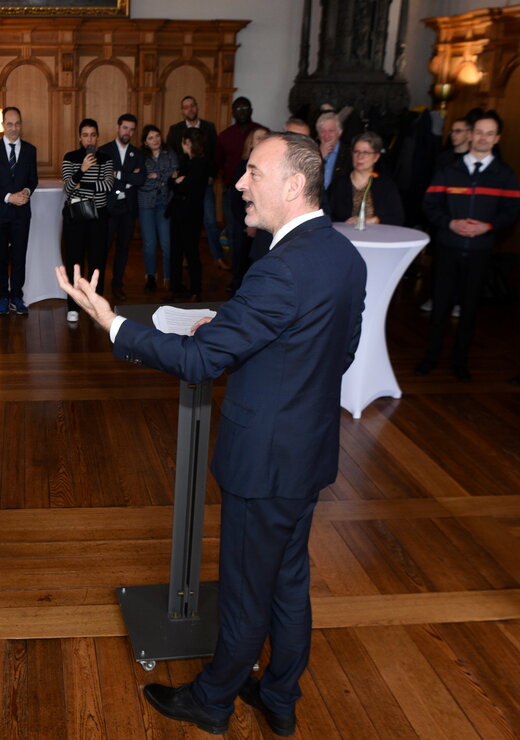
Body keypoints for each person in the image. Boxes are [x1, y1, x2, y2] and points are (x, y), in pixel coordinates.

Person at [57, 131, 366, 737]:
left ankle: (214, 699)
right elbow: (337, 351)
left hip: (265, 459)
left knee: (248, 590)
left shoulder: (281, 269)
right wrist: (236, 329)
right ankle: (279, 696)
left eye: (253, 173)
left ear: (294, 185)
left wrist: (112, 321)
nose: (241, 184)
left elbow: (201, 365)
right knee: (288, 579)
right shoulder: (342, 255)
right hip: (307, 450)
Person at [417, 111, 520, 381]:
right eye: (479, 132)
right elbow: (429, 205)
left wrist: (488, 226)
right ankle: (431, 358)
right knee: (440, 306)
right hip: (448, 247)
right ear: (471, 134)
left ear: (496, 139)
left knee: (470, 309)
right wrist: (449, 223)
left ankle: (460, 362)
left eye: (490, 133)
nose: (483, 138)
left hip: (481, 251)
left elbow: (512, 210)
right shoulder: (448, 170)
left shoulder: (504, 174)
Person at [0, 106, 38, 316]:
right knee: (0, 256)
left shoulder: (30, 150)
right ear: (3, 125)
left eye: (17, 124)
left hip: (22, 213)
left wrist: (25, 191)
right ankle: (3, 297)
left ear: (21, 124)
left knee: (19, 255)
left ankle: (17, 296)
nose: (13, 128)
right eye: (9, 124)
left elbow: (33, 180)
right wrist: (8, 197)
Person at [61, 118, 114, 323]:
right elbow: (67, 187)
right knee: (74, 262)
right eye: (85, 135)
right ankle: (73, 305)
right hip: (75, 216)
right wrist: (82, 169)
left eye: (93, 134)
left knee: (97, 263)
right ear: (79, 137)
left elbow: (108, 185)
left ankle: (95, 307)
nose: (89, 138)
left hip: (98, 216)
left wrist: (81, 185)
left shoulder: (106, 158)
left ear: (97, 136)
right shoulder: (70, 157)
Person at [167, 96, 223, 270]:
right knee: (184, 224)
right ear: (182, 111)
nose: (190, 109)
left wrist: (211, 176)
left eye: (192, 106)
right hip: (184, 183)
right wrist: (177, 176)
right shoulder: (175, 130)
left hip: (203, 183)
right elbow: (171, 154)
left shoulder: (209, 127)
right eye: (186, 107)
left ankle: (218, 256)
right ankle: (184, 257)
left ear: (197, 107)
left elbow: (216, 154)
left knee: (210, 222)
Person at [216, 98, 264, 279]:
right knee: (235, 234)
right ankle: (237, 278)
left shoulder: (261, 130)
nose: (242, 111)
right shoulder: (225, 135)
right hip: (232, 194)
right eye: (238, 108)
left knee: (257, 240)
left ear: (251, 109)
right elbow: (219, 161)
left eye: (245, 107)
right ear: (232, 112)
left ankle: (253, 278)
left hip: (260, 196)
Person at [99, 114, 144, 302]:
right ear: (118, 128)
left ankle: (117, 286)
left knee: (123, 249)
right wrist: (127, 178)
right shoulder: (104, 151)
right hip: (109, 207)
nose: (128, 132)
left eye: (132, 129)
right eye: (125, 128)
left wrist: (117, 174)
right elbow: (103, 178)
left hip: (128, 208)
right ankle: (98, 286)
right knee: (103, 248)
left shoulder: (138, 153)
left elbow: (140, 179)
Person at [166, 128, 212, 301]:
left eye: (183, 141)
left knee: (191, 252)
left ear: (188, 143)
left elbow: (185, 187)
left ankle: (195, 290)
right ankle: (176, 287)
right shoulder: (185, 161)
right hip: (177, 212)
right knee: (175, 251)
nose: (181, 145)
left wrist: (179, 182)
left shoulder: (201, 163)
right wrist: (177, 181)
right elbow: (171, 182)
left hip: (191, 215)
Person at [227, 126, 271, 288]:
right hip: (243, 221)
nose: (262, 141)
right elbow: (235, 199)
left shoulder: (271, 169)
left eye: (265, 137)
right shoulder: (242, 167)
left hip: (265, 226)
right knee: (240, 260)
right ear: (250, 143)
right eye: (258, 138)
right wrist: (247, 223)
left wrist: (259, 224)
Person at [329, 131, 404, 226]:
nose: (360, 157)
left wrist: (373, 220)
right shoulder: (338, 184)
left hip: (378, 237)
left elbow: (397, 218)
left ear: (376, 157)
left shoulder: (386, 185)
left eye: (366, 152)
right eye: (356, 151)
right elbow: (327, 215)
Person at [138, 125, 177, 292]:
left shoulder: (170, 153)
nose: (155, 140)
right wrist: (163, 177)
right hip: (146, 204)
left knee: (167, 243)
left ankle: (168, 277)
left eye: (157, 136)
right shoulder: (140, 157)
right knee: (149, 243)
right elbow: (139, 180)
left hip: (164, 203)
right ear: (145, 142)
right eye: (151, 137)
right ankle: (151, 276)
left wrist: (155, 176)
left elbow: (174, 174)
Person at [315, 112, 349, 197]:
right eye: (323, 131)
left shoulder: (349, 154)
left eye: (331, 131)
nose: (327, 135)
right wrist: (320, 157)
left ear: (339, 132)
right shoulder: (312, 151)